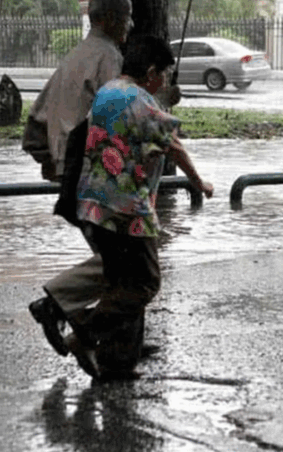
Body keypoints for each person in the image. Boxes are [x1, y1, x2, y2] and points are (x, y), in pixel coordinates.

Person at [65, 35, 214, 380]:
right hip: (125, 208)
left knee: (119, 281)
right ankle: (84, 331)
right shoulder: (141, 101)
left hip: (93, 203)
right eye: (164, 74)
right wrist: (199, 182)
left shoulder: (108, 91)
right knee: (145, 282)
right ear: (150, 72)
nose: (165, 80)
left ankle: (115, 362)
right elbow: (173, 146)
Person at [26, 0, 132, 359]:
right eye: (126, 18)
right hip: (96, 173)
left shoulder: (75, 56)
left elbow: (36, 119)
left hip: (73, 171)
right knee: (127, 263)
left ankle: (118, 346)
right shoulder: (108, 57)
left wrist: (54, 161)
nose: (130, 25)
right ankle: (57, 304)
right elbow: (120, 116)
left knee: (121, 258)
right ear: (109, 19)